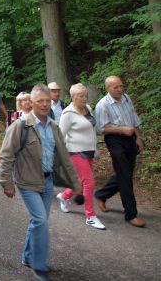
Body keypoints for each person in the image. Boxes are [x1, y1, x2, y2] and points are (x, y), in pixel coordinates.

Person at [0, 84, 80, 281]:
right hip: (27, 182)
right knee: (41, 221)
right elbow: (6, 155)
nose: (44, 105)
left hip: (47, 182)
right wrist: (7, 183)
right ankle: (39, 265)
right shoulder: (20, 126)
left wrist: (75, 184)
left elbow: (64, 158)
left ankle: (28, 256)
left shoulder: (54, 127)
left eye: (47, 101)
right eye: (39, 101)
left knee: (38, 221)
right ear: (31, 103)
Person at [94, 76, 146, 228]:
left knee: (125, 174)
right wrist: (121, 129)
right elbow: (101, 129)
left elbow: (134, 119)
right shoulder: (102, 105)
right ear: (108, 88)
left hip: (130, 138)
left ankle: (102, 195)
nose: (120, 89)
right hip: (115, 141)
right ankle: (131, 214)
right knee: (125, 176)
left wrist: (138, 137)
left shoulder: (126, 98)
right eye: (116, 87)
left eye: (121, 86)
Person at [56, 83, 105, 229]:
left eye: (85, 95)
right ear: (73, 97)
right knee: (89, 183)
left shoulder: (88, 108)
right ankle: (90, 216)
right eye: (81, 96)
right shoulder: (67, 114)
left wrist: (95, 148)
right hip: (75, 152)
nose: (84, 98)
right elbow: (60, 136)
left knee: (82, 182)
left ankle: (64, 196)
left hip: (89, 151)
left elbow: (91, 130)